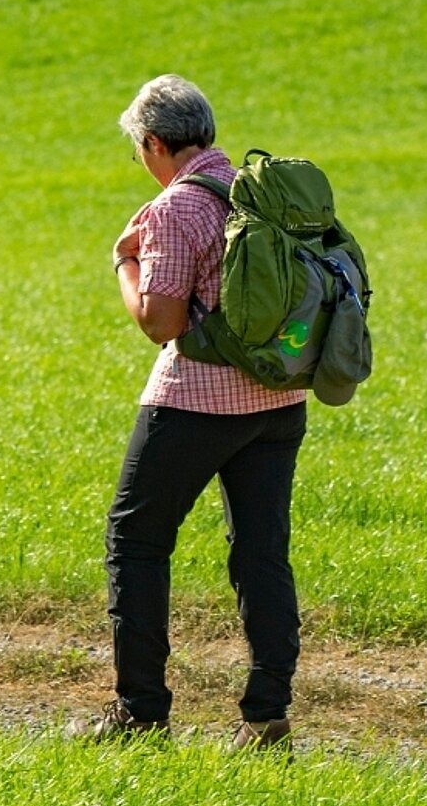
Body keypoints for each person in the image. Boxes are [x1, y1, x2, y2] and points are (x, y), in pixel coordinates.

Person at [76, 74, 307, 752]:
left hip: (197, 400)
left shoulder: (176, 208)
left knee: (135, 540)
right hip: (279, 400)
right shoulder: (257, 192)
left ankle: (140, 708)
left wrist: (123, 262)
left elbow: (161, 321)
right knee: (262, 553)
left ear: (154, 143)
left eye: (138, 149)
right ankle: (267, 715)